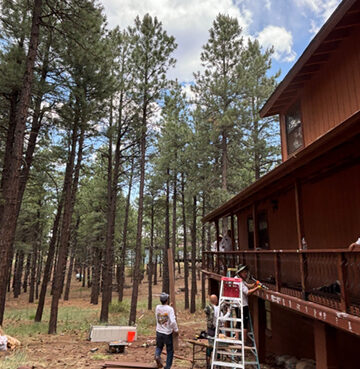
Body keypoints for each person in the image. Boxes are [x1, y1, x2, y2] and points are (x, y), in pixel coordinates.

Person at [235, 264, 261, 345]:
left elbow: (247, 285)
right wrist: (257, 288)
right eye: (244, 272)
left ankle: (236, 339)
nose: (246, 274)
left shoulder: (237, 279)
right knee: (244, 324)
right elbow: (247, 292)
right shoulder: (240, 282)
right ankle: (244, 341)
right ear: (240, 273)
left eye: (246, 272)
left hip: (237, 304)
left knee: (239, 322)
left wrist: (254, 285)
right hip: (242, 305)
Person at [204, 295, 230, 368]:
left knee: (209, 346)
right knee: (218, 346)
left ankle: (208, 364)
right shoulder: (218, 309)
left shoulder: (209, 308)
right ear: (216, 300)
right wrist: (228, 313)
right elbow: (222, 320)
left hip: (210, 329)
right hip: (217, 330)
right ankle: (217, 364)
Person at [154, 292, 179, 369]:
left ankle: (157, 355)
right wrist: (176, 329)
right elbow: (173, 321)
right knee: (170, 350)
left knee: (159, 347)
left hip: (159, 331)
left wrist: (169, 307)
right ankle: (167, 367)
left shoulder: (157, 307)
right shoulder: (170, 309)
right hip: (167, 333)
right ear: (167, 300)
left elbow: (163, 312)